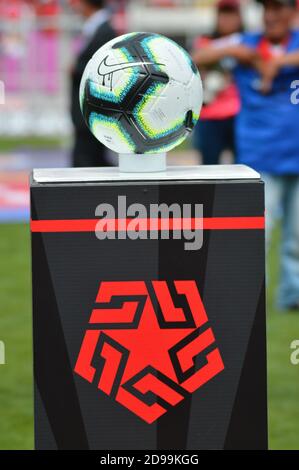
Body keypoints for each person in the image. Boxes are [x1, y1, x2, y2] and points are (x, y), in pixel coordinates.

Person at [193, 0, 299, 311]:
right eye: (267, 8)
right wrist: (245, 54)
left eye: (278, 8)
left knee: (296, 238)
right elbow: (198, 56)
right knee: (256, 236)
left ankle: (292, 298)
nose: (271, 15)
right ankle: (249, 299)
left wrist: (279, 64)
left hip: (297, 156)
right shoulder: (246, 42)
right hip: (259, 157)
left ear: (291, 12)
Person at [192, 0, 243, 165]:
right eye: (223, 14)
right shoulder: (205, 40)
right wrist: (229, 47)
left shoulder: (248, 40)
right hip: (210, 114)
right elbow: (195, 58)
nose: (227, 19)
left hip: (239, 113)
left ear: (239, 17)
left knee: (243, 169)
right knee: (209, 168)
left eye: (231, 14)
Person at [70, 0, 116, 167]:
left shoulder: (105, 30)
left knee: (88, 161)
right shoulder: (94, 28)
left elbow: (102, 67)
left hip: (92, 107)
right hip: (88, 110)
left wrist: (75, 69)